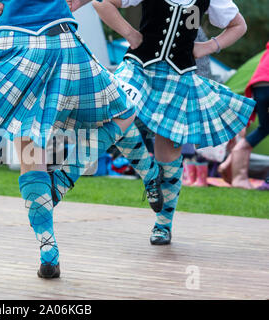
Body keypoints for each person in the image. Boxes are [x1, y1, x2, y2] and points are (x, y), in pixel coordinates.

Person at [0, 0, 164, 278]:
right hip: (58, 38)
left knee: (29, 147)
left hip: (13, 42)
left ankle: (49, 252)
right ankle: (65, 178)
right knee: (121, 113)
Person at [91, 0, 255, 244]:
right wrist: (131, 35)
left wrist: (209, 46)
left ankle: (163, 225)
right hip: (139, 68)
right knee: (117, 113)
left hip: (178, 77)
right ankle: (149, 175)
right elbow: (102, 2)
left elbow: (238, 25)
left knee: (170, 150)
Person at [218, 41, 269, 189]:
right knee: (263, 129)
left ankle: (232, 168)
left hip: (258, 87)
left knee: (263, 128)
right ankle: (241, 178)